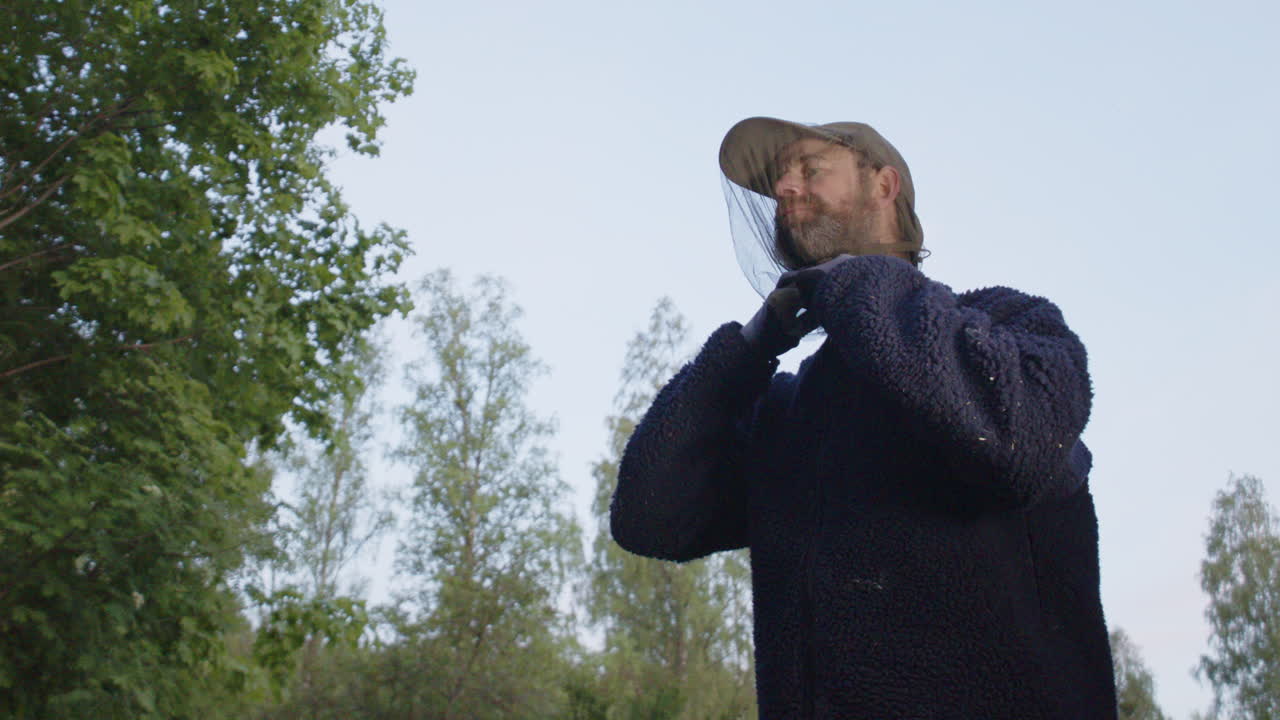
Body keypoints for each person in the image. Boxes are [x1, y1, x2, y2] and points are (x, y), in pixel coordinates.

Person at [610, 117, 1116, 719]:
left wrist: (862, 282)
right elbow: (650, 518)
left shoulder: (1011, 325)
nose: (787, 189)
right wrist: (745, 352)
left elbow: (1018, 436)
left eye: (811, 170)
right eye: (780, 182)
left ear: (884, 185)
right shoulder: (785, 416)